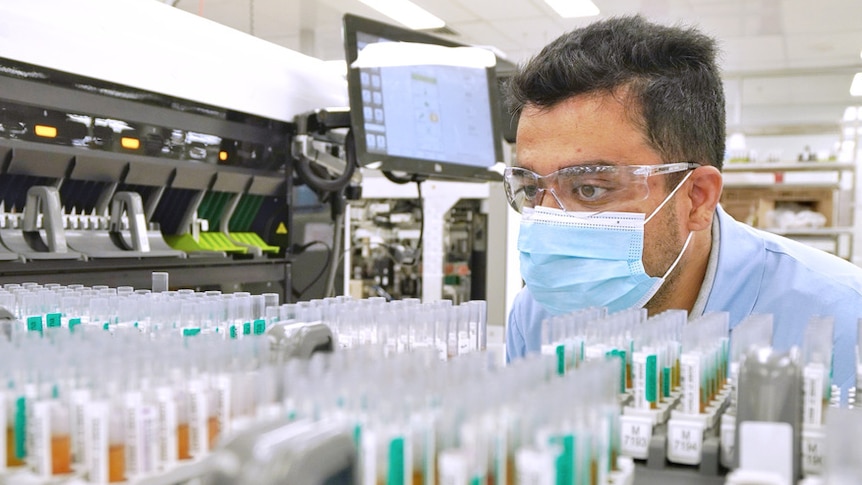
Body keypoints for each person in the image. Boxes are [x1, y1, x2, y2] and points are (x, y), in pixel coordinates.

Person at [502, 15, 862, 390]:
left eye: (590, 188)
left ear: (697, 198)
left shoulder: (843, 321)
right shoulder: (536, 316)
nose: (549, 220)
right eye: (531, 189)